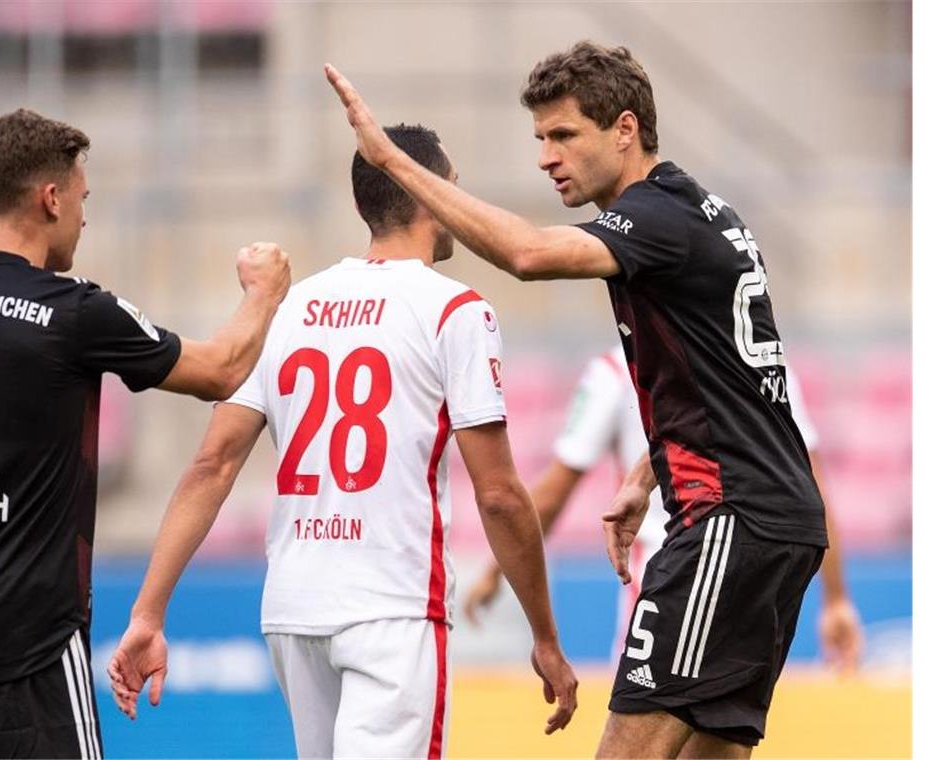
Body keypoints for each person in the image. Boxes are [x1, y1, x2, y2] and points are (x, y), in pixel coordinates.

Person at [326, 41, 829, 757]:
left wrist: (394, 163)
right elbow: (732, 377)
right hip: (765, 519)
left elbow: (529, 254)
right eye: (539, 138)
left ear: (624, 129)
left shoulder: (656, 218)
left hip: (729, 519)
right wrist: (649, 470)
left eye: (563, 135)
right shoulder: (700, 213)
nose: (545, 156)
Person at [106, 124, 578, 758]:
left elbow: (211, 465)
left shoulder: (292, 307)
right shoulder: (456, 310)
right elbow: (498, 494)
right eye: (451, 187)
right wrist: (545, 636)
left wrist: (147, 613)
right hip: (392, 605)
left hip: (295, 609)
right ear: (426, 192)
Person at [0, 108, 290, 759]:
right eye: (83, 199)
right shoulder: (71, 309)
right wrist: (263, 295)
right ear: (50, 198)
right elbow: (220, 370)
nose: (86, 216)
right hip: (26, 653)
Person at [462, 347, 864, 674]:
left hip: (661, 586)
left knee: (639, 739)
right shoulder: (763, 362)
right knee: (719, 736)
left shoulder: (616, 373)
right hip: (743, 582)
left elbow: (555, 491)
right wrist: (836, 598)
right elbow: (809, 485)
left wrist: (496, 571)